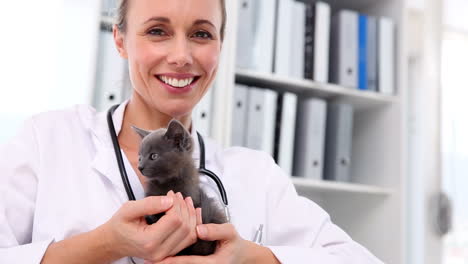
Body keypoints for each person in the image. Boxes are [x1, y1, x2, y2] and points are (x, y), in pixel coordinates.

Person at [0, 0, 383, 263]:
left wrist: (246, 256)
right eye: (157, 31)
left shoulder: (254, 175)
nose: (182, 56)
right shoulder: (48, 141)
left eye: (201, 34)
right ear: (120, 40)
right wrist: (105, 244)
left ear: (220, 46)